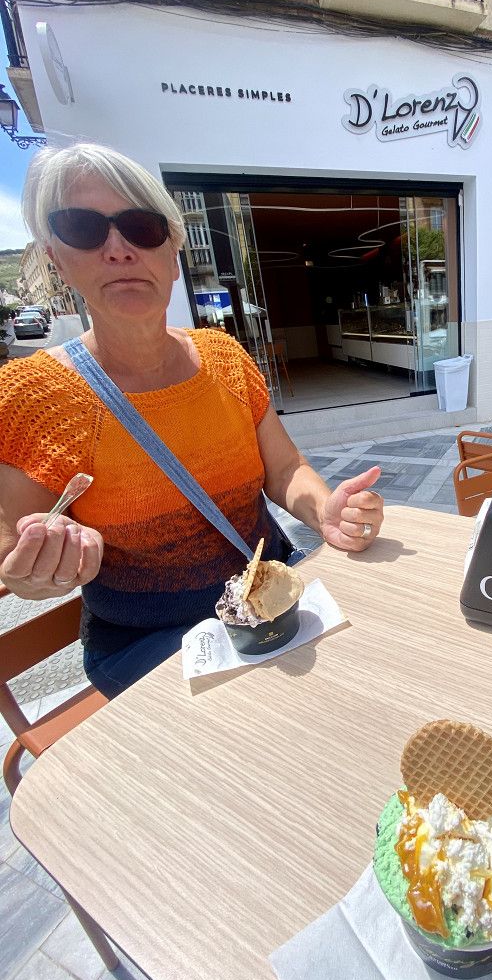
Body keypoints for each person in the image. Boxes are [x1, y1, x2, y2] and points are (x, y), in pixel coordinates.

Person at [0, 144, 384, 698]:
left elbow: (285, 469)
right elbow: (16, 558)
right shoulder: (30, 396)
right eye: (84, 228)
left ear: (173, 255)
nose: (119, 249)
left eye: (142, 228)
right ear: (55, 258)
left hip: (271, 601)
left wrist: (324, 508)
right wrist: (39, 573)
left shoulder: (224, 357)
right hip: (150, 642)